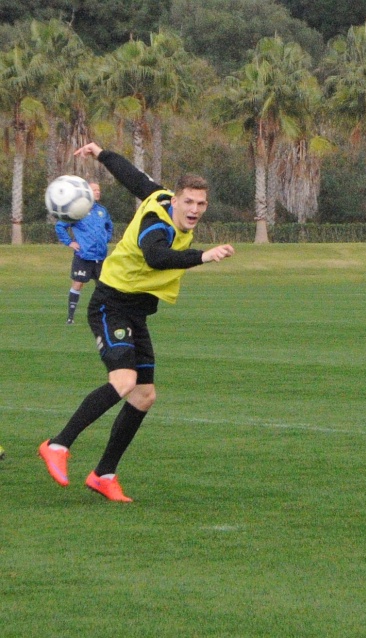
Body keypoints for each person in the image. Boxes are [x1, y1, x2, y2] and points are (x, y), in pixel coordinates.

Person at [39, 142, 235, 502]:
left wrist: (102, 153)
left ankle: (103, 474)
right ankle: (58, 444)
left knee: (144, 396)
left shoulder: (158, 195)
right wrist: (203, 256)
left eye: (201, 203)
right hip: (110, 305)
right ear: (175, 200)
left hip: (134, 312)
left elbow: (131, 177)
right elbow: (156, 256)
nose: (194, 209)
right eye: (188, 202)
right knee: (125, 380)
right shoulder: (155, 224)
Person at [55, 182, 114, 324]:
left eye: (99, 190)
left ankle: (105, 316)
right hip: (84, 256)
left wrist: (105, 239)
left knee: (104, 286)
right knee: (78, 284)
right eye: (94, 190)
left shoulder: (101, 210)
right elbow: (60, 226)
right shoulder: (77, 210)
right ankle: (70, 317)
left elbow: (109, 226)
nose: (98, 192)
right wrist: (70, 242)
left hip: (100, 256)